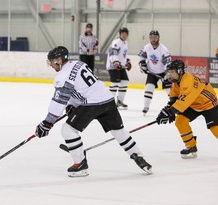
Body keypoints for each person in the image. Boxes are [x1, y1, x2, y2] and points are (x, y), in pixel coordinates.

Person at [35, 46, 152, 177]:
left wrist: (47, 123)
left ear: (59, 60)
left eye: (51, 62)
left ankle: (80, 165)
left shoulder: (62, 76)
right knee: (118, 131)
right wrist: (73, 105)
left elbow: (59, 102)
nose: (51, 65)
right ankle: (139, 157)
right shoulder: (79, 63)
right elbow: (82, 86)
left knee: (68, 130)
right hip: (108, 99)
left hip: (92, 104)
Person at [156, 59, 218, 160]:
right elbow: (174, 99)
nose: (170, 74)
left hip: (208, 104)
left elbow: (183, 101)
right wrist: (168, 110)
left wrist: (170, 111)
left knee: (216, 129)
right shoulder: (176, 82)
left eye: (172, 72)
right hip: (193, 104)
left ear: (180, 71)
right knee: (180, 121)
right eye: (169, 72)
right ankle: (191, 146)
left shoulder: (187, 80)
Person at [138, 30, 171, 115]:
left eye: (155, 37)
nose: (153, 39)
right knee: (149, 87)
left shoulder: (163, 49)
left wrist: (167, 73)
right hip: (152, 72)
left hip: (163, 72)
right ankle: (146, 107)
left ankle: (175, 106)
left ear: (158, 38)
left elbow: (167, 62)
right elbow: (141, 55)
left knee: (170, 91)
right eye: (151, 37)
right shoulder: (147, 47)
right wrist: (142, 63)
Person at [106, 27, 132, 109]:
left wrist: (127, 62)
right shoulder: (116, 42)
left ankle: (120, 101)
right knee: (115, 84)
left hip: (121, 66)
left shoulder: (125, 43)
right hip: (113, 66)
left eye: (125, 33)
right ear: (120, 34)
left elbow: (123, 55)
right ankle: (109, 102)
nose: (124, 35)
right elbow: (113, 53)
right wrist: (116, 63)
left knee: (125, 82)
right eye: (122, 33)